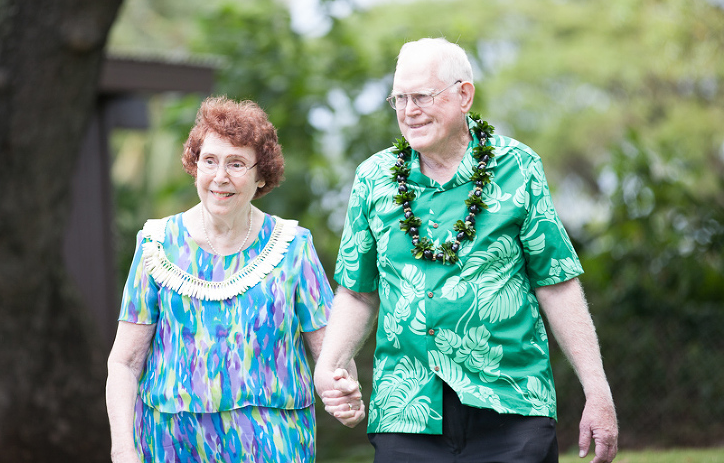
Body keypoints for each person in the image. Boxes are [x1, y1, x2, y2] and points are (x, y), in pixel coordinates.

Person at [314, 38, 618, 463]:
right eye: (399, 98)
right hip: (407, 409)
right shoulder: (373, 178)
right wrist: (330, 366)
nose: (408, 110)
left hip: (511, 406)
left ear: (464, 95)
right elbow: (358, 290)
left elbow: (557, 283)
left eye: (422, 96)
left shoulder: (518, 167)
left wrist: (597, 390)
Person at [105, 96, 362, 463]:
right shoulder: (156, 245)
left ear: (261, 175)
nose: (220, 176)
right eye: (209, 161)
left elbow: (331, 353)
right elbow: (124, 363)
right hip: (170, 445)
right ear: (196, 166)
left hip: (273, 444)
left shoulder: (292, 246)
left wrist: (343, 391)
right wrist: (123, 448)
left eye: (237, 163)